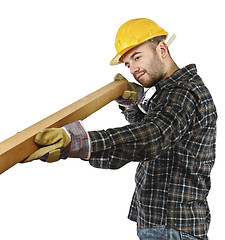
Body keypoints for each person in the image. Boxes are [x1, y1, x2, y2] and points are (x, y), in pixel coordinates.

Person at [22, 18, 217, 240]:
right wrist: (132, 106)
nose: (133, 69)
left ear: (162, 49)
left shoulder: (183, 93)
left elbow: (153, 137)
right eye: (127, 64)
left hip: (171, 227)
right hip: (163, 223)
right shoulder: (169, 92)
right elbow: (157, 138)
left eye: (137, 57)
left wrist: (77, 142)